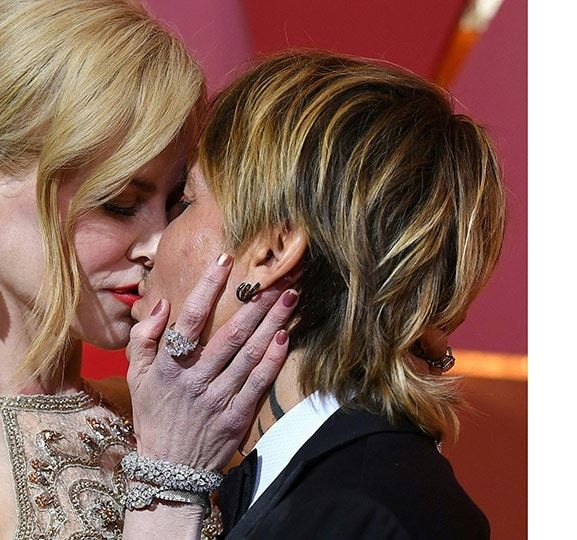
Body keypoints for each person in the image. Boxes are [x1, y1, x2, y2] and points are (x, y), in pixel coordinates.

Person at [0, 1, 293, 538]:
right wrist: (170, 488)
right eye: (119, 202)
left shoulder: (165, 408)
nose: (158, 243)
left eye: (176, 203)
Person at [125, 50, 505, 539]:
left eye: (185, 201)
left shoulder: (356, 516)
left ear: (272, 252)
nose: (154, 244)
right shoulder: (317, 486)